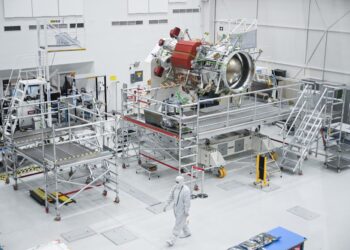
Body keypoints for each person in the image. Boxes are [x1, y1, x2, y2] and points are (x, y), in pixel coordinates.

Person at [163, 175, 191, 247]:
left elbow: (187, 202)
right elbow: (170, 196)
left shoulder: (186, 190)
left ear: (182, 182)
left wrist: (186, 211)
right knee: (181, 222)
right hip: (175, 208)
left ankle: (172, 240)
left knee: (178, 224)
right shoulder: (175, 187)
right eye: (175, 182)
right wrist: (166, 204)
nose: (176, 183)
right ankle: (187, 232)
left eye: (178, 182)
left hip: (182, 210)